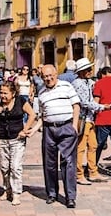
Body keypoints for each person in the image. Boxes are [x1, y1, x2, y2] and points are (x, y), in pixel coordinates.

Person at [29, 64, 80, 207]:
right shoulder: (42, 92)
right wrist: (33, 130)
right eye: (45, 76)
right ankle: (51, 193)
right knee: (49, 163)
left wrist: (75, 125)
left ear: (56, 74)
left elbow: (76, 105)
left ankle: (70, 196)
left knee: (68, 163)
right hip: (49, 129)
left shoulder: (66, 86)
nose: (48, 78)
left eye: (50, 75)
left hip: (66, 127)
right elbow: (41, 116)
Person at [0, 81, 37, 205]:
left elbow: (32, 115)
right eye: (1, 93)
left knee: (15, 167)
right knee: (4, 167)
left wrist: (25, 130)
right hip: (1, 139)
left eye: (5, 93)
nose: (3, 96)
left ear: (13, 93)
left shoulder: (20, 101)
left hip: (17, 139)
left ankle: (16, 193)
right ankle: (7, 189)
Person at [72, 58, 108, 186]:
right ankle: (79, 174)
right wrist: (102, 107)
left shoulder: (88, 82)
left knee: (93, 145)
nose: (90, 71)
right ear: (81, 71)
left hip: (90, 118)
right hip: (83, 118)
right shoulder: (78, 83)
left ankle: (93, 171)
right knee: (81, 147)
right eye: (87, 69)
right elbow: (84, 102)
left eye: (90, 69)